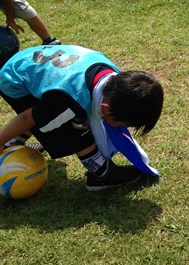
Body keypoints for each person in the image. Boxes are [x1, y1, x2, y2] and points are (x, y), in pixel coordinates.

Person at [0, 44, 164, 191]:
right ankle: (101, 173)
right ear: (104, 108)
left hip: (32, 61)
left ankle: (14, 143)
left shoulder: (114, 77)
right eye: (125, 123)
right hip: (14, 79)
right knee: (71, 128)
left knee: (57, 115)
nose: (125, 127)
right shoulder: (70, 102)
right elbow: (27, 118)